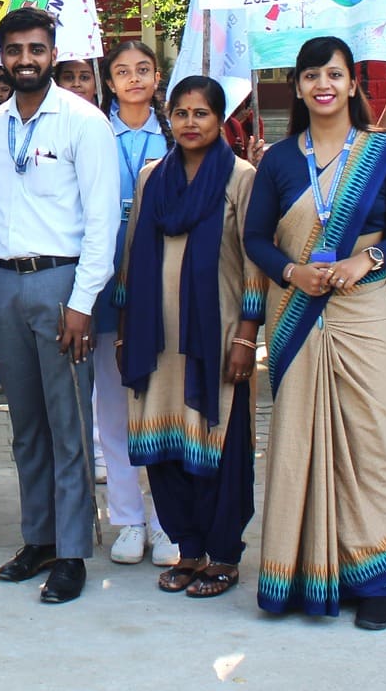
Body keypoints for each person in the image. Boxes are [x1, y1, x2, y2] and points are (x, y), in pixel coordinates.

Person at [242, 37, 386, 631]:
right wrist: (291, 272)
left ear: (352, 85)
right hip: (298, 313)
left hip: (363, 313)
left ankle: (375, 580)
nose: (324, 84)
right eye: (312, 75)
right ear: (298, 88)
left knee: (371, 446)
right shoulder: (278, 161)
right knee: (300, 440)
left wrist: (365, 261)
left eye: (335, 74)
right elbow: (255, 239)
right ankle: (302, 572)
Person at [0, 6, 119, 604]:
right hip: (4, 282)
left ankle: (72, 551)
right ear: (1, 56)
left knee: (69, 424)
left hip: (62, 283)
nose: (25, 60)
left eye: (35, 49)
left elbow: (102, 221)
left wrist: (82, 303)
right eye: (14, 50)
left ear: (53, 53)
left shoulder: (83, 122)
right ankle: (38, 537)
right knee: (25, 423)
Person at [118, 75, 260, 600]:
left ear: (220, 119)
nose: (190, 123)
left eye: (202, 113)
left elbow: (253, 261)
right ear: (169, 118)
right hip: (156, 341)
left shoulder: (241, 177)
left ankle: (223, 554)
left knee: (218, 445)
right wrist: (126, 331)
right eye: (181, 113)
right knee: (165, 445)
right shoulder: (152, 177)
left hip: (215, 340)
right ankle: (190, 549)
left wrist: (246, 336)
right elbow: (133, 253)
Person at [99, 40, 171, 566]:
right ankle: (126, 518)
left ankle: (168, 520)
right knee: (111, 403)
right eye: (122, 72)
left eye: (143, 69)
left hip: (161, 278)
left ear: (158, 76)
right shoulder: (95, 132)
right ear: (110, 82)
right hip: (104, 278)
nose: (134, 79)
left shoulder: (174, 132)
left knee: (161, 401)